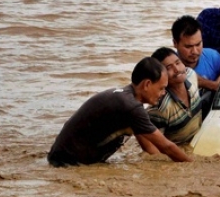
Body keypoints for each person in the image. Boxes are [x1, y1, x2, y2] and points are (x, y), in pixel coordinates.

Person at [47, 57, 194, 166]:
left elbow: (149, 146)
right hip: (68, 163)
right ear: (147, 84)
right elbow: (167, 146)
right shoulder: (131, 107)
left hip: (60, 157)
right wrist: (191, 165)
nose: (163, 93)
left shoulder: (127, 98)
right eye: (161, 88)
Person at [143, 47, 204, 147]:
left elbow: (202, 82)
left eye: (178, 63)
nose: (177, 69)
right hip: (180, 149)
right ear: (159, 76)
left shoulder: (191, 75)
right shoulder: (160, 108)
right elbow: (154, 150)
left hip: (199, 138)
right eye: (168, 68)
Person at [171, 15, 220, 92]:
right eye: (188, 47)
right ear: (175, 43)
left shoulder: (214, 58)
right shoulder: (170, 70)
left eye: (198, 44)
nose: (195, 51)